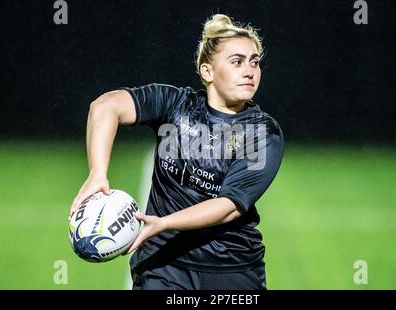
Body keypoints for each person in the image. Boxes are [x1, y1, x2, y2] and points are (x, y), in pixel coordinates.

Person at [69, 14, 284, 290]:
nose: (250, 70)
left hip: (230, 269)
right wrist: (97, 173)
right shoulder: (175, 105)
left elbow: (228, 206)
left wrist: (164, 223)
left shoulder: (263, 132)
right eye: (237, 62)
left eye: (254, 62)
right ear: (207, 72)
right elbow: (105, 106)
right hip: (163, 265)